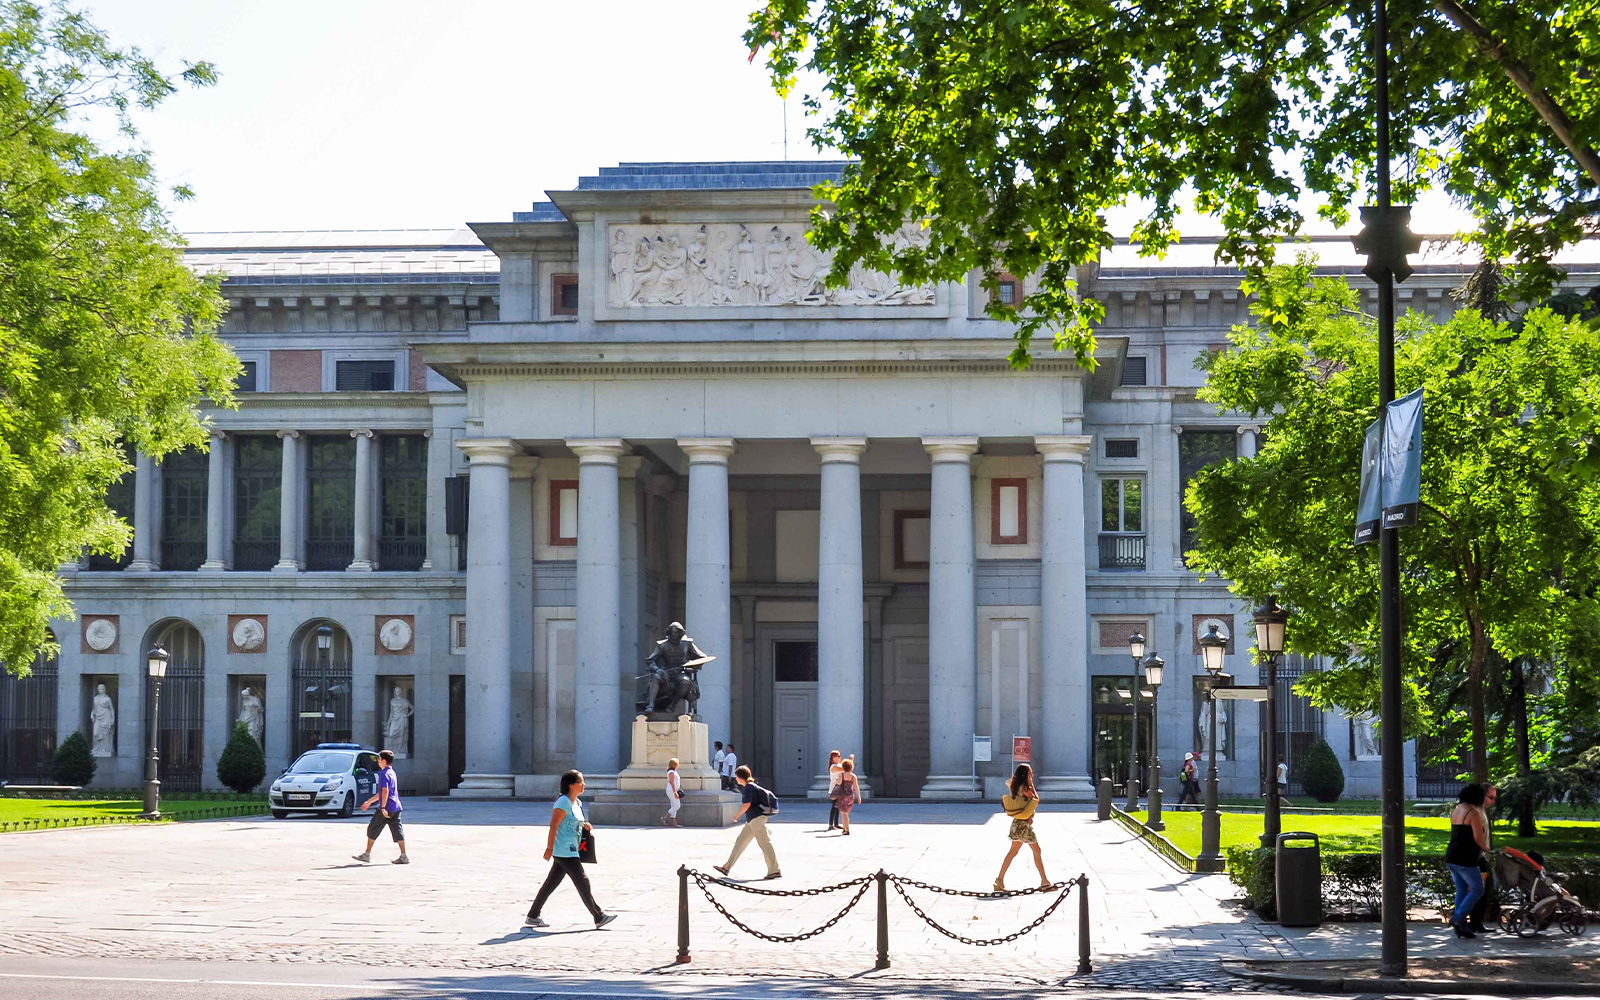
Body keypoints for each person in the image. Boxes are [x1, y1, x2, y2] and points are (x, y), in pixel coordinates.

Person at [526, 770, 617, 929]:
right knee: (583, 881)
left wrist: (585, 825)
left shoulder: (577, 803)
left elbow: (574, 822)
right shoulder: (563, 802)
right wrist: (549, 848)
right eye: (580, 782)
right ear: (571, 785)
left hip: (572, 847)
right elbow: (554, 824)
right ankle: (599, 916)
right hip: (564, 849)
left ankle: (533, 915)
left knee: (550, 884)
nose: (583, 785)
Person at [713, 765, 781, 880]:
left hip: (756, 820)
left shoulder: (749, 787)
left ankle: (774, 870)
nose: (736, 779)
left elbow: (746, 805)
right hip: (752, 820)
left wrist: (736, 816)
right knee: (740, 842)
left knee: (765, 844)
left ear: (740, 777)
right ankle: (726, 867)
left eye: (736, 777)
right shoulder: (752, 786)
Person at [994, 763, 1051, 892]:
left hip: (1018, 824)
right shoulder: (1025, 787)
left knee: (1013, 853)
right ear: (1026, 774)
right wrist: (1032, 785)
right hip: (1023, 826)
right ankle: (1044, 881)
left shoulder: (1015, 786)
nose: (1032, 775)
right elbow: (1035, 800)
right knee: (1035, 851)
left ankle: (999, 881)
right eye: (1030, 773)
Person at [1445, 783, 1491, 939]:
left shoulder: (1456, 810)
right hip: (1466, 858)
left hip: (1452, 856)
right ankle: (1457, 918)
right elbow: (1478, 838)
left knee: (1462, 890)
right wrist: (1487, 848)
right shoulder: (1473, 813)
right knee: (1478, 889)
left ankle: (1462, 927)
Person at [352, 750, 407, 865]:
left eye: (379, 759)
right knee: (397, 831)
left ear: (384, 761)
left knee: (373, 828)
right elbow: (382, 793)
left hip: (387, 807)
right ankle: (404, 856)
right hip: (396, 807)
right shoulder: (392, 772)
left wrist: (382, 807)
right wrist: (369, 801)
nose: (378, 761)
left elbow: (385, 791)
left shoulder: (383, 774)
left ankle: (367, 854)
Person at [1470, 783, 1498, 934]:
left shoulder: (1480, 811)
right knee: (1481, 890)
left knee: (1480, 890)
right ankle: (1475, 922)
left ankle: (1475, 922)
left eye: (1494, 798)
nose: (1493, 801)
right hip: (1478, 858)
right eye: (1491, 797)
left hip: (1481, 857)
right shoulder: (1476, 812)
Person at [831, 758, 862, 835]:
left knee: (844, 813)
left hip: (842, 795)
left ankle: (846, 830)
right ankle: (845, 828)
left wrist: (837, 779)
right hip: (850, 795)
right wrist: (859, 796)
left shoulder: (841, 774)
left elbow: (839, 783)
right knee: (846, 812)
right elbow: (856, 786)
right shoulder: (853, 776)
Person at [826, 750, 846, 830]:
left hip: (839, 788)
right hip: (834, 789)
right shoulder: (833, 767)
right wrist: (850, 761)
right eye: (838, 756)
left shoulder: (838, 765)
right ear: (833, 758)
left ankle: (836, 823)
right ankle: (831, 824)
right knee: (834, 807)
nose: (840, 757)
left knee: (838, 807)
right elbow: (844, 768)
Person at [664, 757, 682, 827]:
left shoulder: (673, 772)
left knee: (673, 806)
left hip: (673, 790)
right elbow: (672, 782)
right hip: (672, 790)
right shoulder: (671, 772)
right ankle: (665, 817)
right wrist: (675, 792)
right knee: (677, 805)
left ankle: (674, 822)